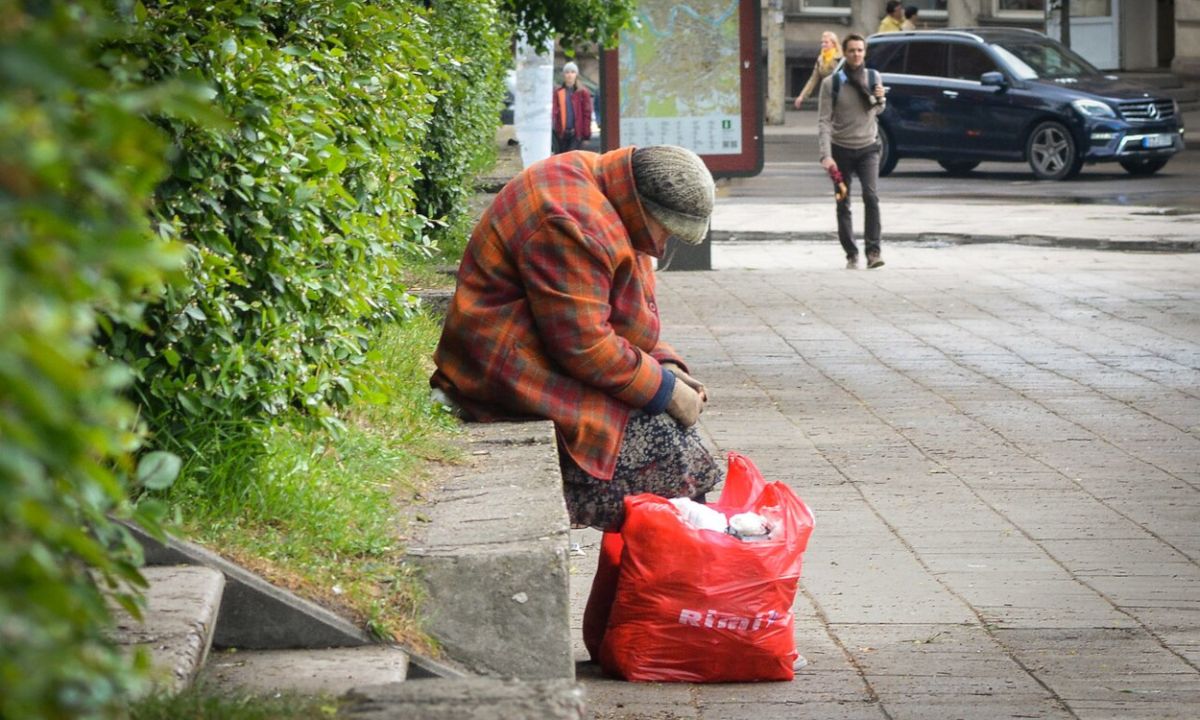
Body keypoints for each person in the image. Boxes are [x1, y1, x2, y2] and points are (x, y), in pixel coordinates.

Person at [430, 145, 722, 531]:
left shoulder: (604, 189)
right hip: (500, 373)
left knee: (679, 456)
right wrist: (665, 391)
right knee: (676, 472)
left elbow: (619, 321)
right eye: (666, 231)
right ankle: (666, 585)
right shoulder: (573, 220)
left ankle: (654, 584)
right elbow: (586, 347)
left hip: (542, 351)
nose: (664, 244)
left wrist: (667, 367)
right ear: (644, 209)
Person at [817, 34, 887, 269]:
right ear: (844, 53)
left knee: (871, 195)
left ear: (864, 53)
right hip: (840, 152)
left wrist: (881, 99)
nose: (856, 54)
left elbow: (877, 110)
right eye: (852, 51)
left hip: (868, 148)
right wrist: (826, 155)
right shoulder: (832, 83)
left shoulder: (874, 77)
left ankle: (873, 252)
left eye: (860, 50)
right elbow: (824, 121)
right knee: (843, 200)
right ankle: (851, 253)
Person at [551, 61, 593, 154]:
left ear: (576, 75)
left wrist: (586, 135)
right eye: (567, 72)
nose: (570, 75)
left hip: (576, 134)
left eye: (572, 72)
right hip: (561, 134)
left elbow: (587, 114)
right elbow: (554, 112)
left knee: (571, 156)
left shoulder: (582, 93)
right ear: (564, 75)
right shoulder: (558, 92)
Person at [793, 31, 842, 109]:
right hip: (828, 94)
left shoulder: (841, 58)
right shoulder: (821, 59)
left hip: (841, 95)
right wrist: (802, 96)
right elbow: (813, 79)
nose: (823, 44)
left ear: (833, 44)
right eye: (822, 42)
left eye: (826, 42)